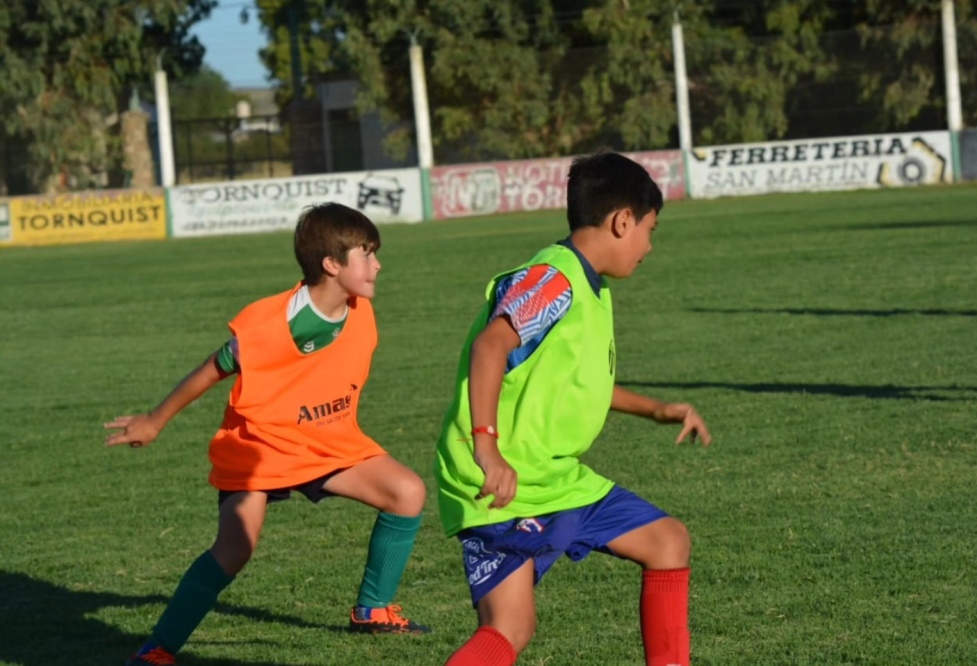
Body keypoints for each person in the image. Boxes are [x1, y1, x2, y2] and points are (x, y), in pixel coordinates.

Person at [105, 203, 430, 666]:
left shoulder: (360, 310)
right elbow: (213, 367)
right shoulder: (272, 324)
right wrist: (156, 419)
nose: (377, 264)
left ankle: (373, 610)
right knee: (236, 548)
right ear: (331, 264)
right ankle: (158, 648)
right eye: (366, 253)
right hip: (260, 445)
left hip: (325, 441)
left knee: (407, 491)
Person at [435, 151, 712, 666]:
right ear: (621, 220)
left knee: (668, 541)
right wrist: (488, 448)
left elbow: (581, 385)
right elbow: (490, 347)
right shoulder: (552, 281)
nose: (650, 246)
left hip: (557, 478)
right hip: (508, 483)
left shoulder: (589, 287)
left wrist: (656, 410)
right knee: (510, 628)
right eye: (651, 229)